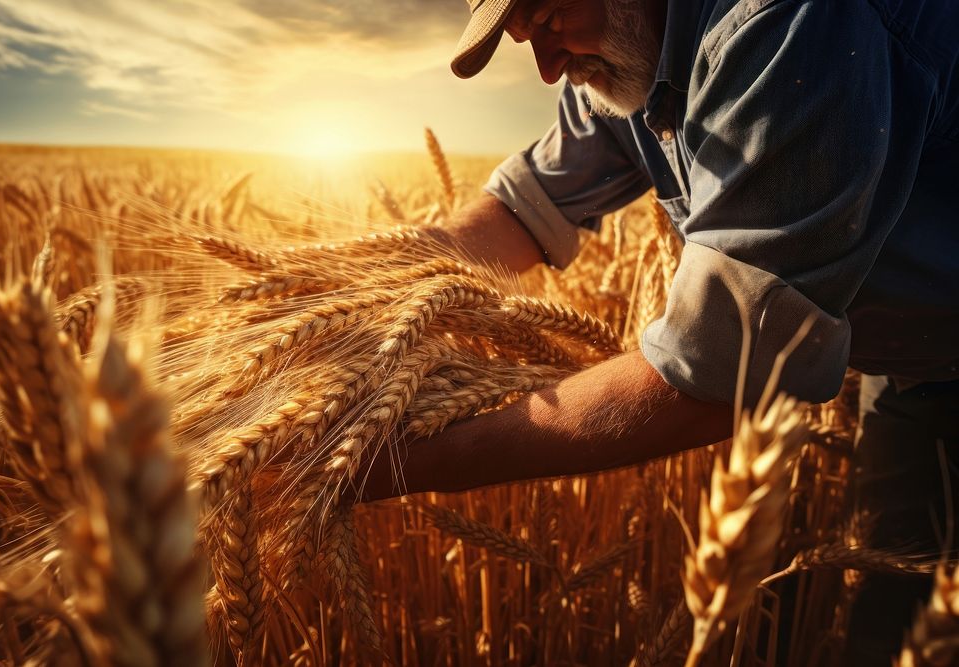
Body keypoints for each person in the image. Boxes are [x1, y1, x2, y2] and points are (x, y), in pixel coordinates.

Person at [362, 0, 959, 662]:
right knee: (899, 620)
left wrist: (397, 461)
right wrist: (334, 312)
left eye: (548, 16)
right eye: (522, 36)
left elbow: (717, 372)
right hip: (919, 366)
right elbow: (525, 209)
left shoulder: (790, 22)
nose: (548, 67)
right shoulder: (626, 52)